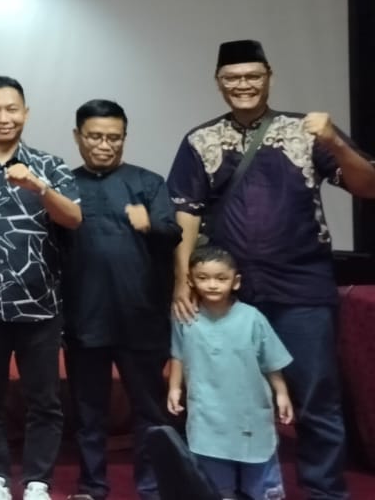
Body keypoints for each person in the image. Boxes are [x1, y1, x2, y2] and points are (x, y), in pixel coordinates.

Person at [168, 39, 375, 500]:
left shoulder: (306, 131)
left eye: (252, 76)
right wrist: (182, 281)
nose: (242, 85)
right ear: (218, 83)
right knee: (224, 395)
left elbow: (368, 186)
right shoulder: (201, 140)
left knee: (317, 397)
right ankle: (234, 489)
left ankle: (325, 491)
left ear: (269, 77)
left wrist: (334, 141)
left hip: (302, 287)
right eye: (232, 78)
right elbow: (186, 213)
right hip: (227, 294)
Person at [0, 76, 82, 500]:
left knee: (44, 401)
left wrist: (39, 187)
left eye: (11, 109)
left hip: (41, 305)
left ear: (26, 113)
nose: (3, 118)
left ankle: (38, 481)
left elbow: (74, 218)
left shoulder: (50, 165)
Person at [60, 99, 178, 500]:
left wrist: (150, 225)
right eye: (95, 136)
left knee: (150, 411)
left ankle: (151, 487)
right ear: (78, 137)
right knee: (87, 413)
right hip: (84, 319)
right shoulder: (64, 186)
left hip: (141, 318)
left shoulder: (148, 182)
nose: (104, 145)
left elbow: (173, 234)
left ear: (124, 137)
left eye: (114, 137)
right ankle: (92, 487)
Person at [167, 245, 294, 500]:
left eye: (221, 278)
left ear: (235, 282)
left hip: (250, 412)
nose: (212, 285)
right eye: (203, 278)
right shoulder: (186, 318)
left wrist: (282, 393)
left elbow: (271, 361)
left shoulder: (252, 318)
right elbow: (178, 354)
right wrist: (174, 388)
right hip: (207, 413)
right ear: (190, 281)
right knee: (215, 483)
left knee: (260, 474)